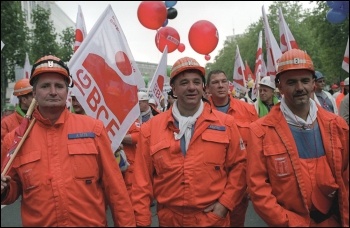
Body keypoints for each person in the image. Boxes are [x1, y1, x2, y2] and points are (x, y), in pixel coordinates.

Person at [1, 55, 135, 227]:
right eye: (45, 86)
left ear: (67, 91)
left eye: (59, 86)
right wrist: (4, 191)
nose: (53, 91)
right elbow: (12, 189)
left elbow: (116, 189)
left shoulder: (93, 129)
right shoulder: (14, 140)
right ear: (34, 92)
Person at [131, 57, 247, 227]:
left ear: (203, 87)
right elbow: (141, 180)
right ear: (174, 89)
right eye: (184, 82)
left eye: (196, 82)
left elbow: (239, 167)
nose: (191, 87)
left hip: (213, 219)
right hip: (170, 220)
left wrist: (224, 205)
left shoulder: (226, 124)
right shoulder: (151, 128)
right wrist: (142, 222)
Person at [247, 49, 349, 227]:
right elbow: (258, 190)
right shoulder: (260, 131)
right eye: (292, 82)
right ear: (280, 87)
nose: (300, 88)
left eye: (305, 81)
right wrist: (292, 223)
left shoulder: (337, 125)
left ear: (313, 84)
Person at [206, 69, 258, 227]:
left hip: (239, 186)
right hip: (210, 188)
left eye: (223, 81)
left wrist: (252, 184)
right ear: (207, 88)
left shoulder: (248, 110)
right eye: (215, 82)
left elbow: (257, 149)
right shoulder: (200, 111)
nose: (220, 85)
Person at [1, 78, 34, 143]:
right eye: (33, 96)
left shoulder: (41, 118)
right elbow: (4, 148)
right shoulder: (6, 123)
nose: (37, 99)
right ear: (24, 100)